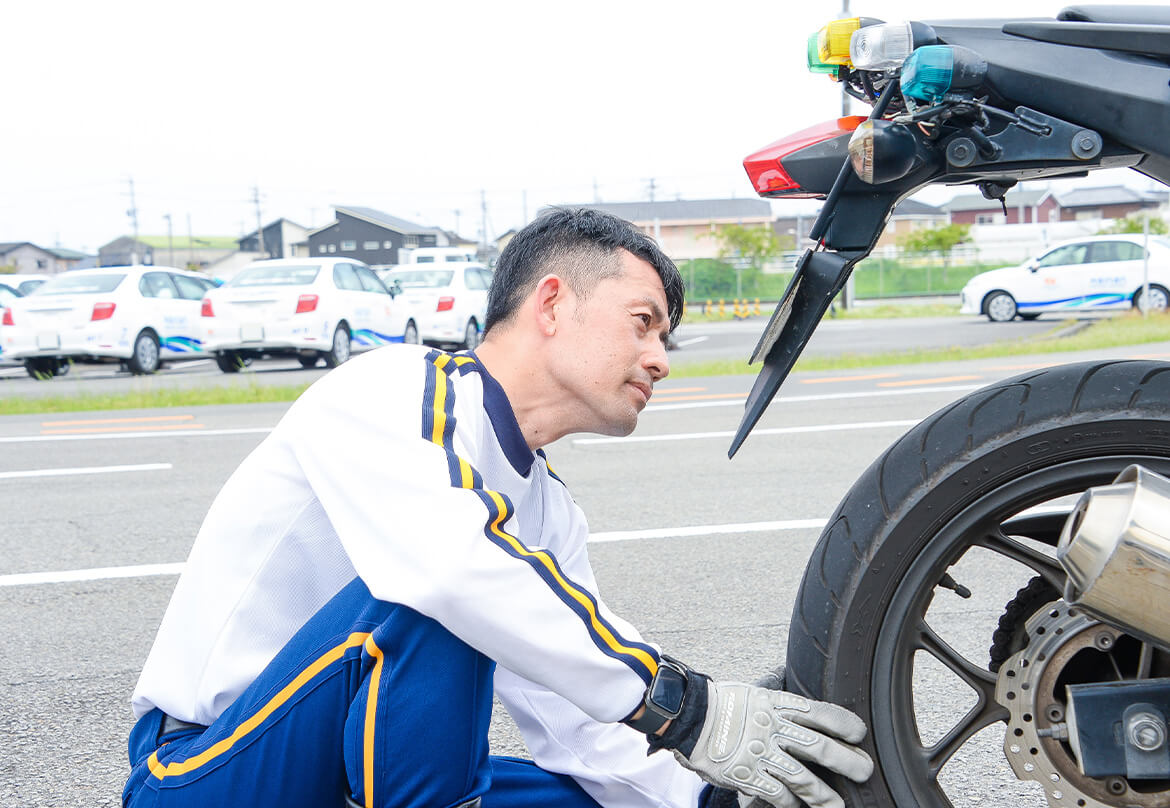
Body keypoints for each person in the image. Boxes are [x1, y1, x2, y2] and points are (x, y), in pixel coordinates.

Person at [123, 208, 873, 808]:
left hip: (347, 773)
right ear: (552, 302)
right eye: (642, 322)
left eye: (665, 338)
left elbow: (576, 721)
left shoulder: (547, 511)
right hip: (204, 771)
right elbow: (449, 576)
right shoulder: (390, 387)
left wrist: (710, 794)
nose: (660, 359)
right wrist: (688, 707)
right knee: (428, 601)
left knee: (592, 797)